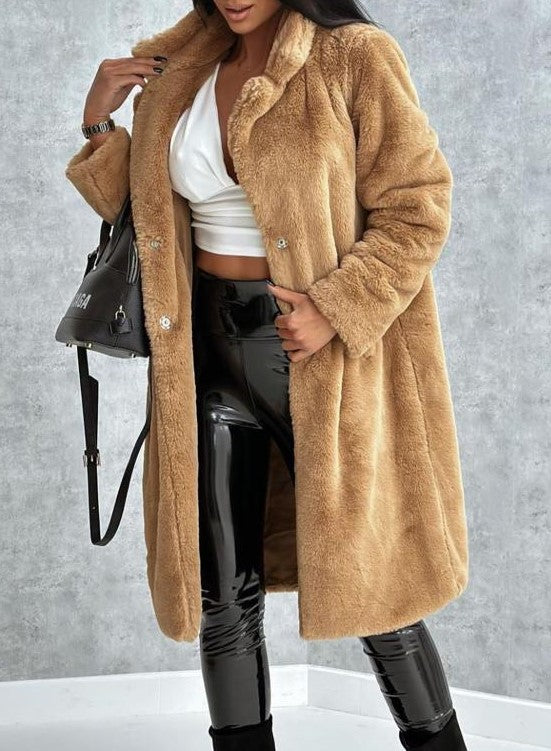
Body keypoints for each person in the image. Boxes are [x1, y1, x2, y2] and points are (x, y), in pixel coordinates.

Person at [66, 1, 470, 749]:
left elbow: (418, 205)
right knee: (222, 596)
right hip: (205, 355)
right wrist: (100, 125)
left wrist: (337, 306)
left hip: (318, 357)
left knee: (375, 587)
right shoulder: (180, 67)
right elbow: (148, 219)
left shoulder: (352, 57)